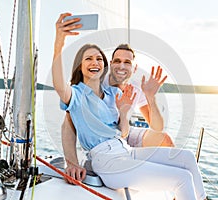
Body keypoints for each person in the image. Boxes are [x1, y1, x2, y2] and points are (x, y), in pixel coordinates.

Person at [52, 13, 207, 200]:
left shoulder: (114, 94)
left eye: (99, 59)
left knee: (187, 158)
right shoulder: (76, 94)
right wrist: (59, 42)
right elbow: (61, 90)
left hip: (125, 149)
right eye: (88, 59)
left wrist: (130, 109)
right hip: (106, 159)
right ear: (80, 66)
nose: (95, 62)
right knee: (181, 178)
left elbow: (125, 131)